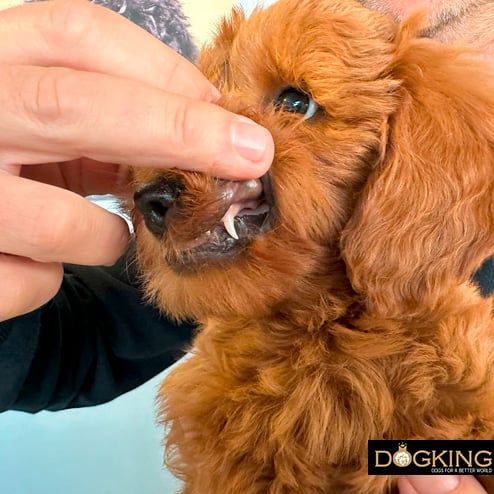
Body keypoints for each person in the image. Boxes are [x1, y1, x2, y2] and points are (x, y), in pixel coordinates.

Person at [0, 1, 491, 493]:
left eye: (296, 103)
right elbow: (72, 337)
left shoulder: (444, 158)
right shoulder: (242, 259)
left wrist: (423, 460)